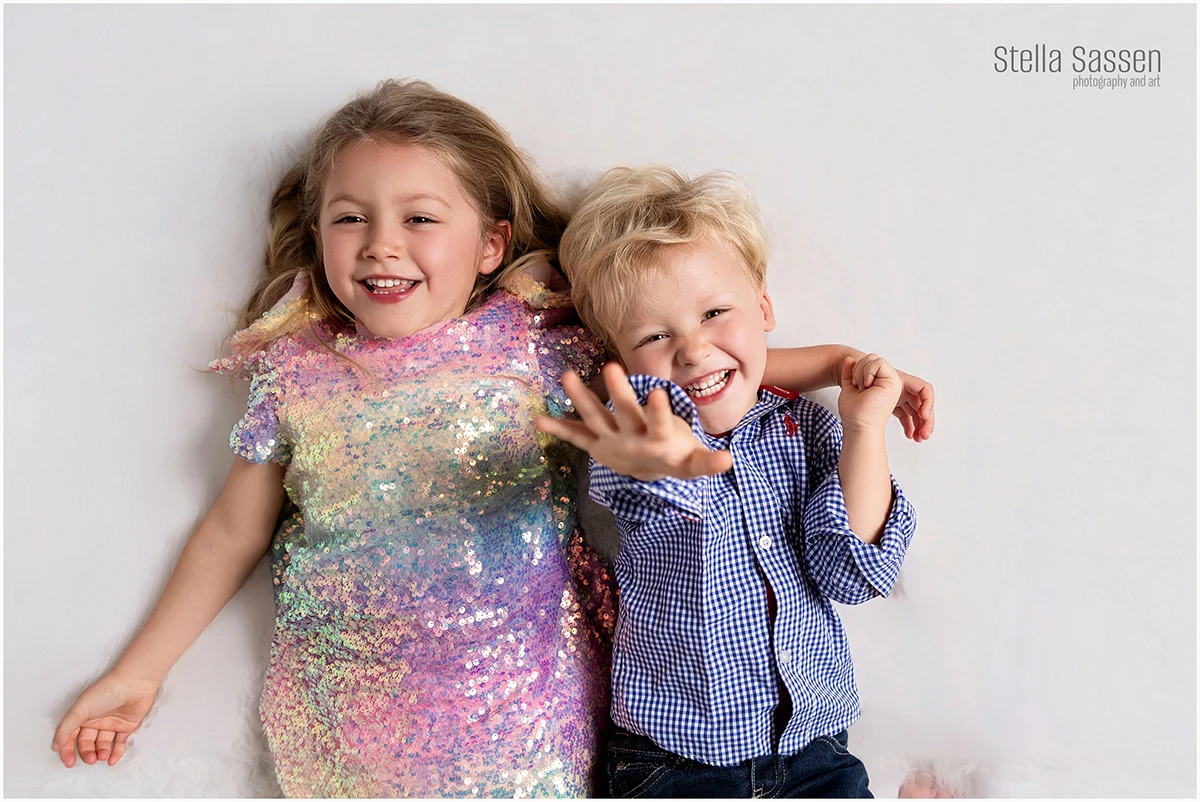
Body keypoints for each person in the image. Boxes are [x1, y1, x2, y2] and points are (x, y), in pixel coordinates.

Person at [51, 81, 933, 798]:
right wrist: (140, 672)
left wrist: (840, 364)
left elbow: (694, 358)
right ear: (317, 236)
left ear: (491, 244)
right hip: (351, 719)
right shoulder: (296, 373)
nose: (380, 244)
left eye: (420, 218)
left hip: (530, 723)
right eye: (350, 217)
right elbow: (232, 530)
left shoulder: (537, 348)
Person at [537, 165, 920, 798]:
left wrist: (864, 426)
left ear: (764, 308)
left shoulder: (804, 429)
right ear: (620, 363)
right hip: (674, 766)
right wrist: (674, 464)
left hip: (813, 752)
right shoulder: (628, 442)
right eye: (656, 336)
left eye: (715, 313)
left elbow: (856, 575)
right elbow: (647, 482)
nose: (692, 350)